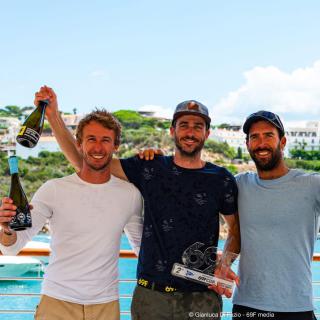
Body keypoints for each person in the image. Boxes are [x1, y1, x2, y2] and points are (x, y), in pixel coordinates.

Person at [38, 86, 240, 320]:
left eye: (198, 126)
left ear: (207, 133)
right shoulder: (150, 168)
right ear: (172, 131)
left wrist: (225, 262)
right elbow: (83, 159)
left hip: (201, 298)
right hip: (151, 298)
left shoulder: (222, 178)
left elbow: (234, 228)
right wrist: (53, 116)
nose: (190, 132)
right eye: (184, 125)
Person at [0, 108, 143, 320]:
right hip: (57, 302)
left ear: (116, 146)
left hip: (105, 305)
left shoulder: (130, 195)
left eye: (105, 140)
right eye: (91, 139)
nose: (97, 147)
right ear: (79, 143)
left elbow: (143, 248)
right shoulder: (53, 189)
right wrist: (6, 228)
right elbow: (11, 248)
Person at [232, 110, 319, 320]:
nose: (261, 143)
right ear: (247, 145)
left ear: (283, 141)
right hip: (247, 306)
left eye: (268, 135)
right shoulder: (239, 184)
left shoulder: (311, 185)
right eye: (254, 137)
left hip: (296, 306)